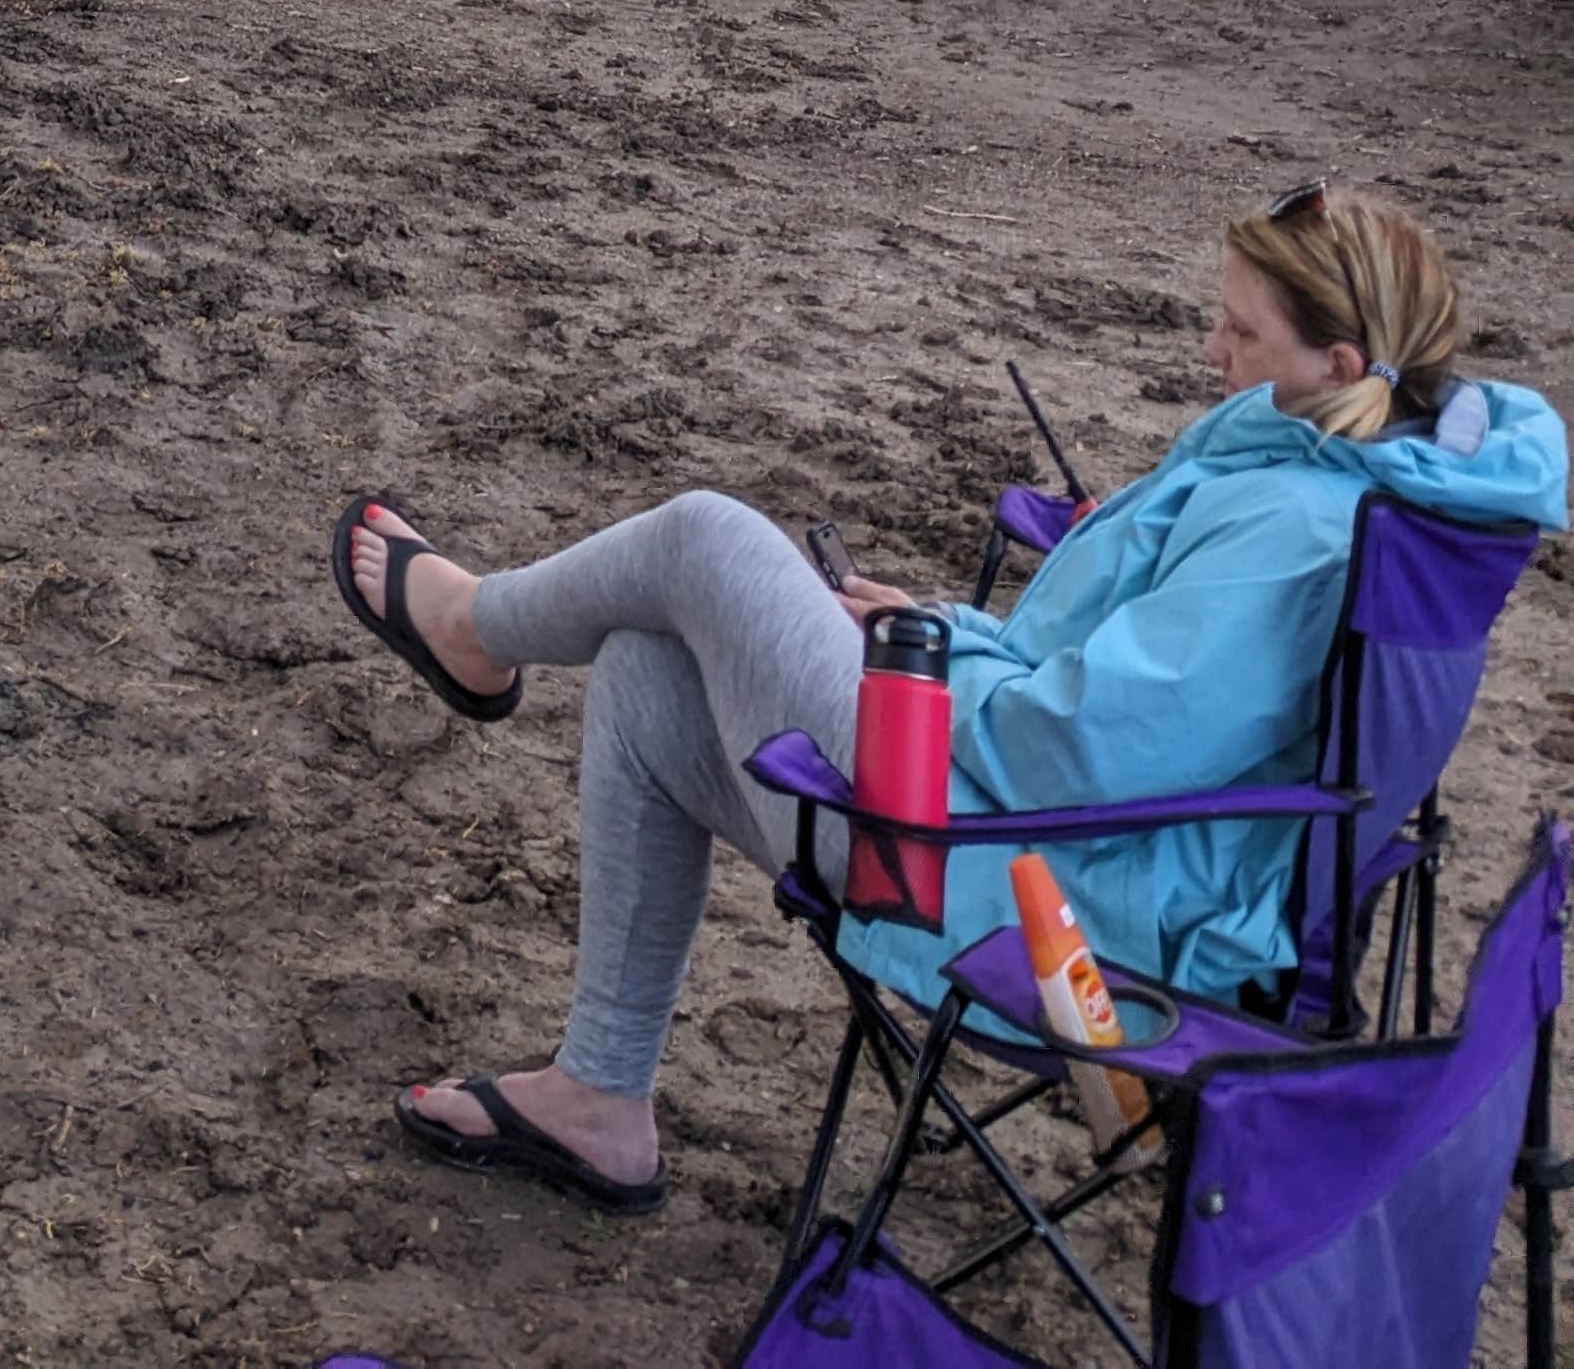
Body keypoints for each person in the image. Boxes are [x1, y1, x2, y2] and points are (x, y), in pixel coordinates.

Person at [329, 183, 1566, 1218]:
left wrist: (931, 659)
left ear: (1342, 362)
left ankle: (469, 630)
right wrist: (951, 630)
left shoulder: (1300, 529)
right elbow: (1108, 690)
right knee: (654, 675)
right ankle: (600, 1099)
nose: (1213, 353)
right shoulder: (1328, 453)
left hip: (1027, 892)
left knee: (706, 539)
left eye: (1242, 333)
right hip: (1053, 833)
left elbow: (1079, 745)